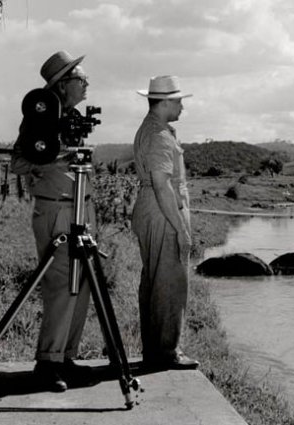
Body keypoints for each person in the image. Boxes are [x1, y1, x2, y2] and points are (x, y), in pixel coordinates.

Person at [10, 50, 94, 392]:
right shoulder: (40, 119)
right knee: (61, 285)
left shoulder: (71, 118)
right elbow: (18, 162)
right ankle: (47, 363)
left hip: (79, 209)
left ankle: (66, 357)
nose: (86, 84)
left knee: (82, 284)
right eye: (80, 79)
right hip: (56, 210)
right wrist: (56, 154)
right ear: (62, 86)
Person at [131, 75, 199, 370]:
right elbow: (163, 185)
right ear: (166, 102)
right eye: (179, 100)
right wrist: (181, 230)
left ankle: (156, 350)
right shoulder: (158, 135)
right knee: (169, 283)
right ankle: (166, 351)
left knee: (156, 281)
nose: (182, 106)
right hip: (162, 212)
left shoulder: (156, 130)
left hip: (153, 210)